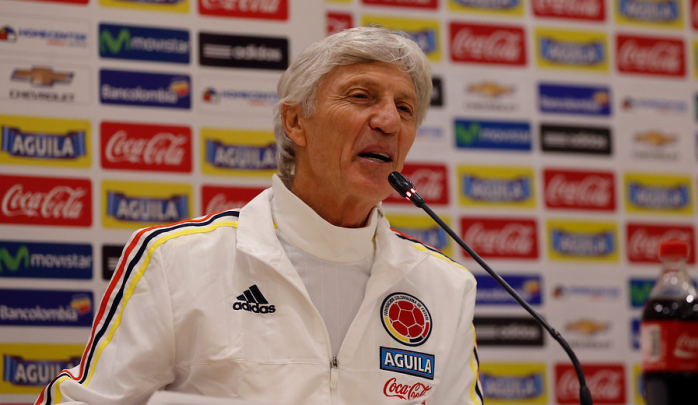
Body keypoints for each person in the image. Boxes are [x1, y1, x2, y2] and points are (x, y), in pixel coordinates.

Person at [35, 26, 482, 405]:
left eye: (405, 108)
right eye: (361, 96)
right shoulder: (176, 260)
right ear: (295, 123)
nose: (388, 121)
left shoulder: (446, 286)